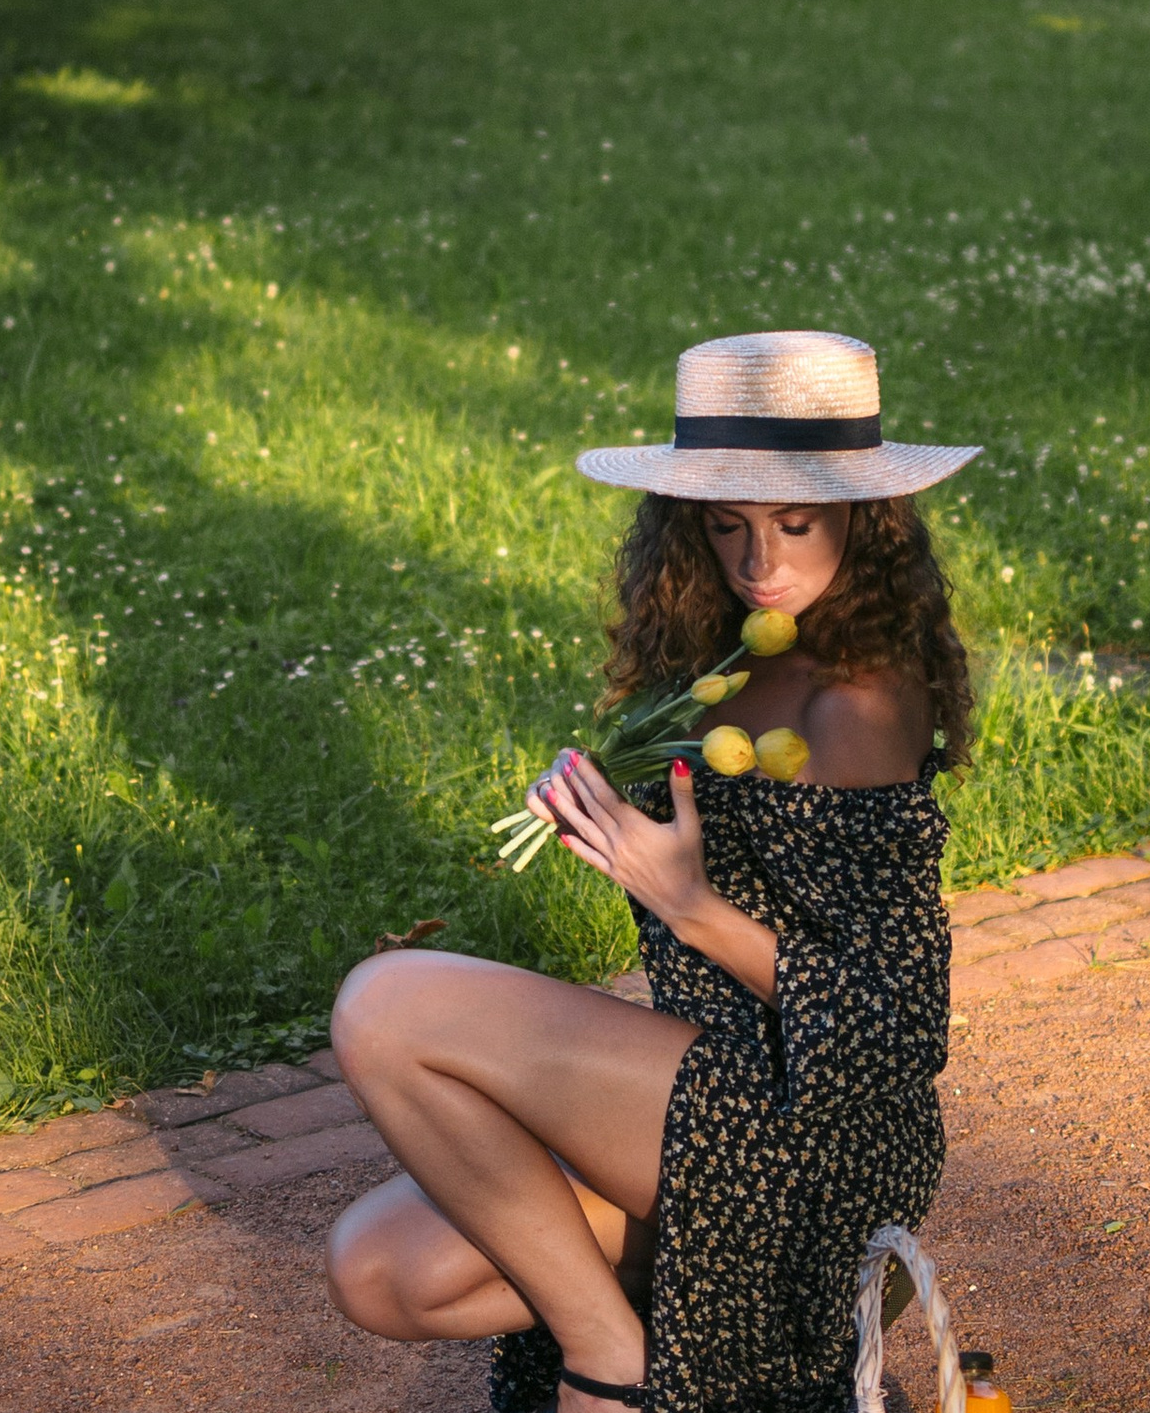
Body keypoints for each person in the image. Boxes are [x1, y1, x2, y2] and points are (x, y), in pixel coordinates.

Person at [323, 330, 980, 1413]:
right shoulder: (716, 670)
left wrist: (686, 901)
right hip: (714, 1103)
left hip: (820, 1145)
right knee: (378, 1267)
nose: (759, 558)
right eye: (727, 525)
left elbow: (898, 1025)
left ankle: (613, 1365)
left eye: (794, 522)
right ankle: (674, 1338)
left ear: (868, 517)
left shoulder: (855, 700)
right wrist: (606, 812)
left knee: (386, 1002)